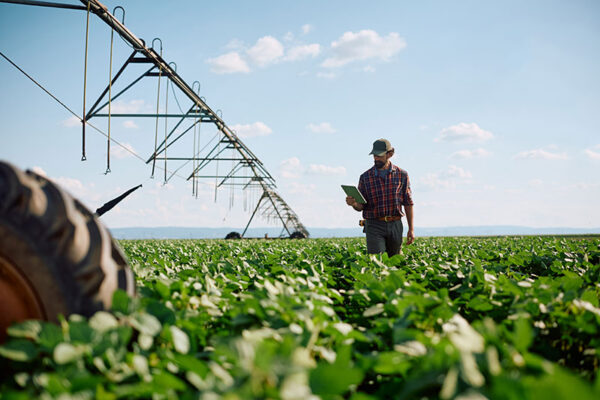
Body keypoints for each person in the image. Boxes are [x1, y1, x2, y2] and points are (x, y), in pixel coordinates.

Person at [346, 138, 414, 256]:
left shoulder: (402, 175)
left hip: (395, 224)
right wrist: (354, 204)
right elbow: (361, 206)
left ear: (390, 154)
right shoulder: (365, 177)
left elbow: (408, 203)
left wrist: (411, 229)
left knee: (395, 261)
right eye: (374, 155)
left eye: (379, 155)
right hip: (374, 225)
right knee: (377, 260)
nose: (376, 158)